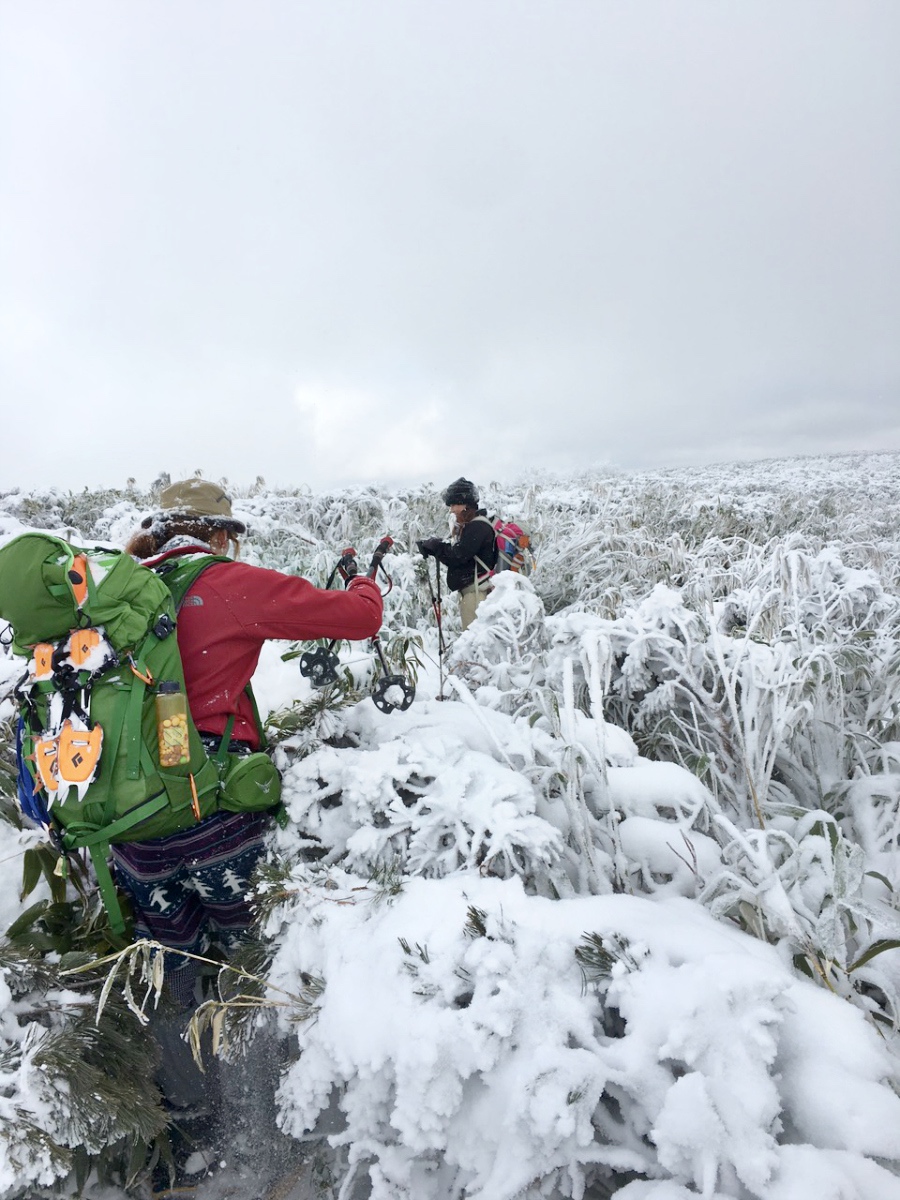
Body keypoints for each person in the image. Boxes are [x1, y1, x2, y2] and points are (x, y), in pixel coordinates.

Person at [116, 478, 383, 1184]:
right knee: (254, 967)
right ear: (218, 534)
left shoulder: (117, 589)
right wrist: (362, 579)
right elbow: (357, 619)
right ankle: (269, 1128)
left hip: (131, 835)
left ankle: (190, 1132)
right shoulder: (223, 583)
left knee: (175, 975)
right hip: (215, 825)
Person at [417, 477, 497, 630]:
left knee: (475, 640)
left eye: (454, 504)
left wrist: (436, 547)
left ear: (465, 504)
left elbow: (457, 556)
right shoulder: (473, 526)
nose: (451, 509)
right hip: (474, 592)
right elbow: (461, 552)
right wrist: (436, 546)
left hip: (476, 595)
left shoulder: (478, 527)